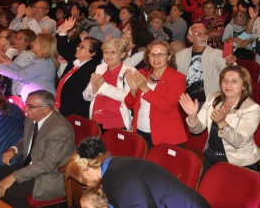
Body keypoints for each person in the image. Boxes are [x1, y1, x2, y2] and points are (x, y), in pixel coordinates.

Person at [0, 90, 75, 208]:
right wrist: (14, 149)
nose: (25, 109)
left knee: (11, 191)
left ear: (46, 109)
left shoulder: (60, 129)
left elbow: (47, 164)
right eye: (26, 104)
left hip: (49, 176)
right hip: (31, 166)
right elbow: (28, 139)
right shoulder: (32, 118)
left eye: (30, 106)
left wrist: (13, 177)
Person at [64, 137, 210, 207]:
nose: (87, 186)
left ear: (87, 172)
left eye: (83, 182)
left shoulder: (118, 179)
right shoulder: (114, 166)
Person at [180, 66, 260, 171]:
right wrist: (192, 115)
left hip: (239, 163)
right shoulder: (212, 98)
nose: (228, 85)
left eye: (234, 81)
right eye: (225, 80)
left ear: (244, 85)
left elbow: (240, 142)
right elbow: (196, 130)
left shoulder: (251, 108)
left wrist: (222, 122)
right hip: (211, 157)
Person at [124, 40, 188, 147]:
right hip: (140, 130)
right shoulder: (141, 74)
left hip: (165, 135)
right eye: (152, 55)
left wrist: (145, 88)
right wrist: (133, 90)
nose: (156, 59)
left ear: (169, 57)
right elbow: (129, 104)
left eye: (160, 55)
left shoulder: (177, 78)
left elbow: (166, 107)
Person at [176, 24, 236, 105]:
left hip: (209, 102)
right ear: (190, 38)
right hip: (186, 101)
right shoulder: (180, 56)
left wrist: (229, 64)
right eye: (198, 34)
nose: (203, 36)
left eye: (205, 33)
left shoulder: (217, 54)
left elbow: (234, 74)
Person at [83, 38, 135, 131]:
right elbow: (86, 96)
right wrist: (94, 90)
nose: (108, 55)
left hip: (117, 122)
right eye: (106, 52)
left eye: (113, 52)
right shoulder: (100, 68)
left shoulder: (130, 71)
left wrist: (103, 86)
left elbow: (127, 98)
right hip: (96, 119)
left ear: (122, 54)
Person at [0, 34, 58, 100]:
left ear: (43, 46)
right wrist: (7, 60)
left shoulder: (44, 63)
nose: (32, 43)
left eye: (35, 42)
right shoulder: (40, 60)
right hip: (36, 97)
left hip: (41, 99)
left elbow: (20, 75)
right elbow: (24, 71)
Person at [55, 37, 102, 118]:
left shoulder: (92, 68)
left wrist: (60, 111)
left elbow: (77, 95)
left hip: (73, 113)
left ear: (93, 53)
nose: (77, 48)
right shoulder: (74, 63)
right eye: (78, 46)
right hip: (59, 107)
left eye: (82, 47)